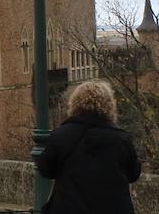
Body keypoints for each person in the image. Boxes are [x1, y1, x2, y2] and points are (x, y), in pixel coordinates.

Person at [36, 80, 141, 214]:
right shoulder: (121, 139)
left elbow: (46, 170)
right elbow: (134, 174)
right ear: (109, 105)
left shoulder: (60, 136)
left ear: (75, 104)